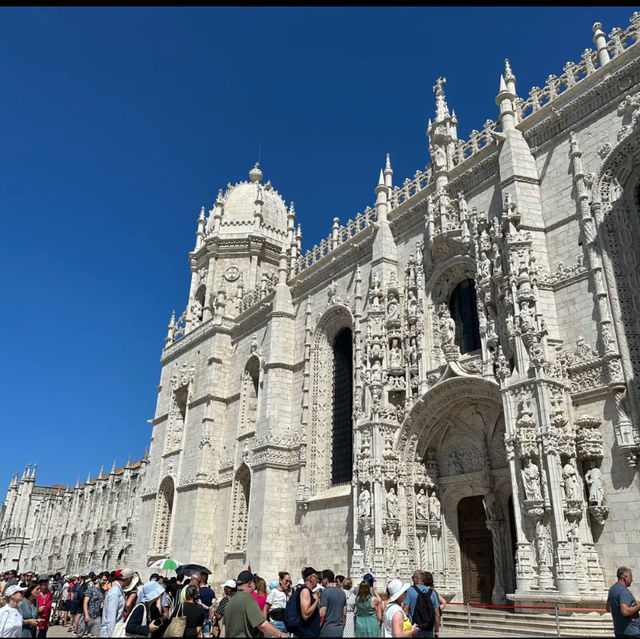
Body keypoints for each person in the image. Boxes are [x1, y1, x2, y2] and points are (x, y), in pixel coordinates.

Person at [222, 570, 287, 638]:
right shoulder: (248, 599)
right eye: (254, 582)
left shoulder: (230, 602)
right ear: (250, 583)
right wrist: (280, 634)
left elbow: (224, 629)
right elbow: (261, 624)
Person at [99, 567, 137, 638]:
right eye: (131, 579)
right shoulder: (115, 593)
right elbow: (111, 618)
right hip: (110, 633)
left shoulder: (119, 591)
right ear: (128, 579)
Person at [402, 571, 439, 638]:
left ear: (416, 579)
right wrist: (436, 631)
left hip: (415, 629)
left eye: (412, 577)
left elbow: (405, 610)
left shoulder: (410, 590)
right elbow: (437, 614)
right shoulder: (432, 592)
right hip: (429, 629)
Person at [607, 567, 640, 637]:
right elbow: (625, 611)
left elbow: (608, 608)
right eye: (631, 577)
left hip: (619, 631)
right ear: (625, 577)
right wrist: (638, 606)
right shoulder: (623, 591)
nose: (632, 580)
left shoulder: (612, 589)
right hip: (631, 632)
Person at [319, 570, 346, 637]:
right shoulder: (342, 593)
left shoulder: (325, 592)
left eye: (321, 579)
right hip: (338, 630)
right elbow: (344, 614)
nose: (320, 581)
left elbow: (322, 614)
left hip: (327, 630)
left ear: (326, 580)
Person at [82, 572, 107, 637]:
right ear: (99, 579)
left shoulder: (103, 591)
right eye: (103, 580)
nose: (104, 582)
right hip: (88, 615)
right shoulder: (91, 589)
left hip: (97, 616)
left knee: (97, 635)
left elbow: (104, 602)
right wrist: (86, 615)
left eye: (106, 580)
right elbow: (85, 603)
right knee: (81, 634)